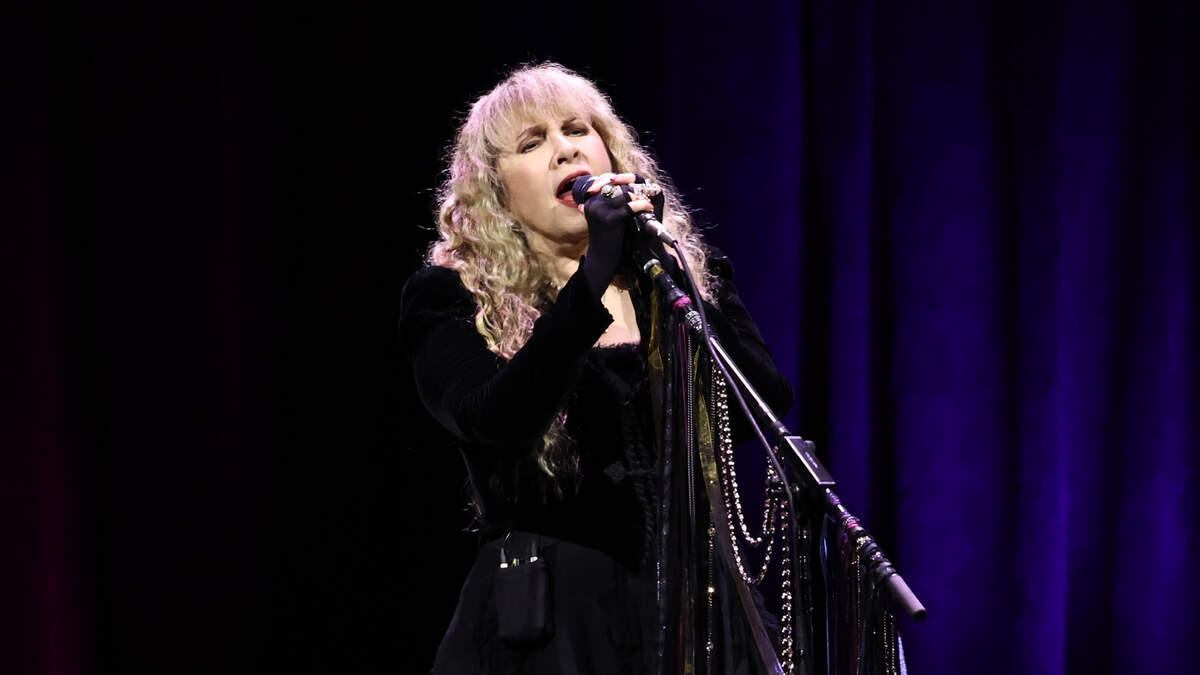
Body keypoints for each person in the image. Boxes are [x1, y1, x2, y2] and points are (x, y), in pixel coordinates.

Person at [399, 62, 793, 674]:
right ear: (497, 192)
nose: (565, 150)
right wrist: (591, 279)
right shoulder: (451, 296)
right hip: (553, 621)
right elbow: (495, 418)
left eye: (578, 130)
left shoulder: (679, 275)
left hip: (696, 610)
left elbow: (759, 404)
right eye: (532, 143)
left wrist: (661, 275)